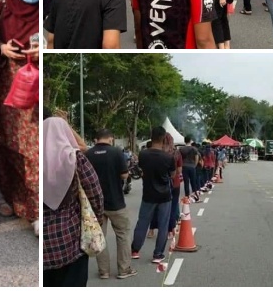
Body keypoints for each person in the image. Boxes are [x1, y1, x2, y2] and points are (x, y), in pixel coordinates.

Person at [0, 0, 40, 235]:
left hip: (35, 87)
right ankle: (15, 200)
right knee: (7, 145)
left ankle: (35, 210)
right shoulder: (3, 9)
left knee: (32, 151)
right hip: (8, 84)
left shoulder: (46, 9)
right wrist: (2, 49)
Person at [43, 117, 105, 287]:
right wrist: (97, 219)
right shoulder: (75, 158)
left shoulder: (35, 157)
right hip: (71, 242)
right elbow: (95, 192)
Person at [84, 128, 137, 280]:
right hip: (116, 202)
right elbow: (124, 174)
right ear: (111, 139)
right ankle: (124, 269)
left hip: (95, 204)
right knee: (123, 235)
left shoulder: (88, 154)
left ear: (96, 139)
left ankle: (104, 271)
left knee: (100, 237)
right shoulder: (116, 152)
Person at [130, 126, 175, 264]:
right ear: (163, 138)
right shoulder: (168, 157)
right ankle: (158, 254)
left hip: (148, 194)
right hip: (164, 195)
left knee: (142, 222)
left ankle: (135, 250)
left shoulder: (143, 154)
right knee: (163, 225)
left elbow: (141, 170)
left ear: (151, 136)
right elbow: (172, 175)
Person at [179, 136, 201, 203]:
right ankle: (196, 196)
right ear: (190, 141)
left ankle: (187, 196)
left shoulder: (181, 149)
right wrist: (195, 165)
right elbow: (196, 157)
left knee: (186, 182)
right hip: (192, 166)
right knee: (193, 181)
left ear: (184, 141)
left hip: (184, 166)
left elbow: (179, 158)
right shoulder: (194, 149)